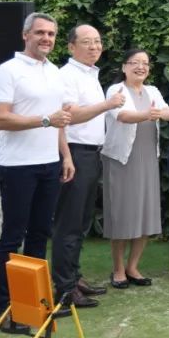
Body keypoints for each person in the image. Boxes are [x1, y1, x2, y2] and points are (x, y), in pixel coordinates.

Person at [0, 13, 75, 335]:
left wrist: (65, 155)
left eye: (51, 33)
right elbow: (0, 119)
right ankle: (6, 309)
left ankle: (34, 306)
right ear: (25, 35)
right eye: (40, 32)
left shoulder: (54, 72)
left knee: (39, 236)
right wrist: (44, 120)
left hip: (49, 164)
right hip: (18, 166)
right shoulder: (8, 70)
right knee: (13, 237)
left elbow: (60, 119)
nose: (46, 38)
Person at [51, 24, 125, 308]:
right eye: (87, 42)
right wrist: (108, 104)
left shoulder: (90, 74)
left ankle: (74, 277)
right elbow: (70, 116)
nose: (94, 47)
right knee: (69, 224)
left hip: (92, 154)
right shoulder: (67, 75)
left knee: (81, 222)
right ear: (71, 46)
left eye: (97, 41)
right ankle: (65, 288)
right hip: (74, 153)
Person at [101, 49, 169, 288]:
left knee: (145, 213)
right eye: (135, 63)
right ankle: (118, 270)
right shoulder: (116, 90)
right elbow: (122, 116)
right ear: (124, 67)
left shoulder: (153, 91)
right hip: (122, 159)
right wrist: (146, 114)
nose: (141, 67)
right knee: (122, 215)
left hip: (148, 157)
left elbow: (164, 111)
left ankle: (133, 267)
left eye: (145, 63)